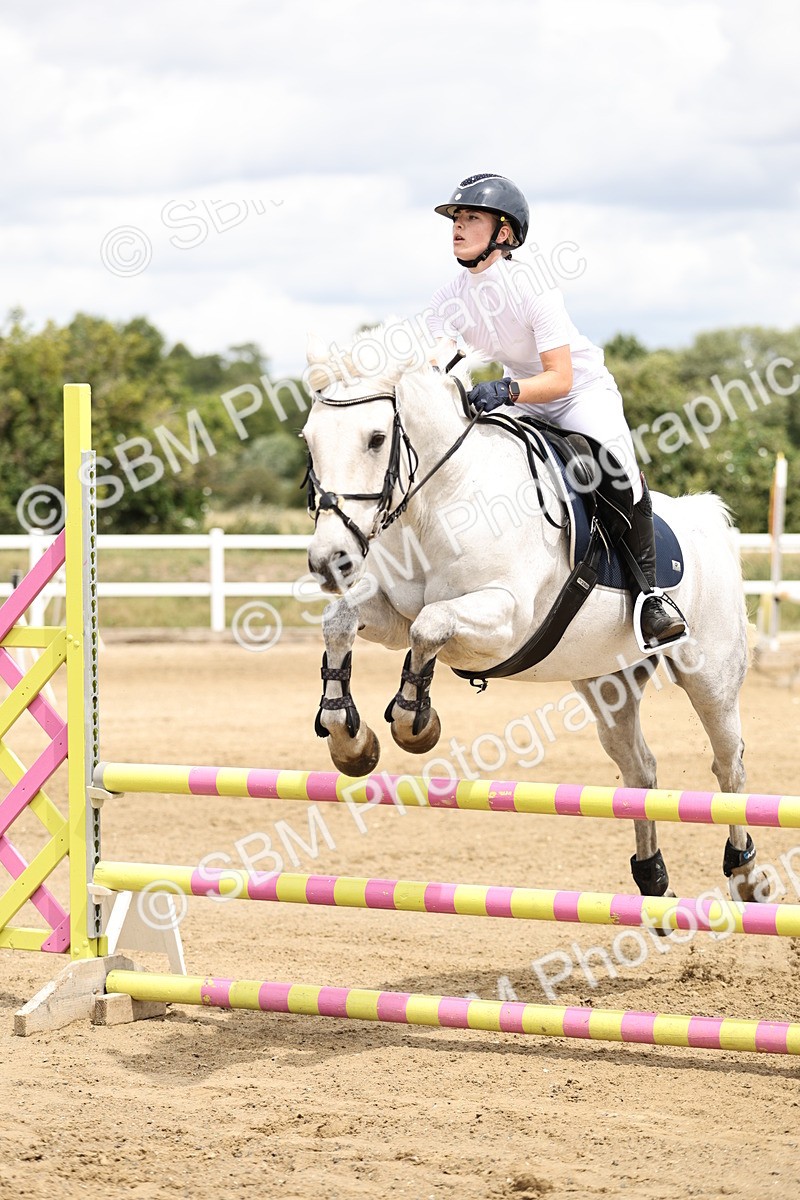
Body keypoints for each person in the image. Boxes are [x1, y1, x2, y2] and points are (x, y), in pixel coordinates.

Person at [426, 172, 685, 648]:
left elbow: (560, 378)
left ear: (503, 233)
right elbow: (438, 359)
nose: (458, 226)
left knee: (615, 465)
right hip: (523, 394)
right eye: (456, 218)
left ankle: (652, 598)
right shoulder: (449, 298)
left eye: (471, 218)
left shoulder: (533, 287)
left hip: (578, 393)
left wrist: (506, 391)